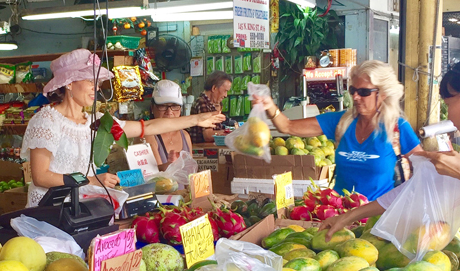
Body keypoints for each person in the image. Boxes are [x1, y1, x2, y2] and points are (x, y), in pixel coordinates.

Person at [21, 49, 225, 207]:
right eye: (90, 81)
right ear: (69, 84)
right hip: (50, 212)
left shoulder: (98, 121)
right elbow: (41, 176)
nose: (97, 88)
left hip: (80, 208)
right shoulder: (47, 121)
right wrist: (90, 181)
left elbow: (150, 126)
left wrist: (196, 119)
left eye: (97, 82)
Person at [320, 62, 460, 238]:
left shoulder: (399, 127)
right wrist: (347, 217)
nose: (451, 117)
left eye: (449, 102)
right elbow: (413, 190)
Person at [254, 60, 422, 201]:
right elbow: (287, 126)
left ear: (383, 93)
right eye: (353, 91)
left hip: (377, 221)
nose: (355, 97)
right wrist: (270, 106)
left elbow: (423, 169)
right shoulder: (341, 121)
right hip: (339, 216)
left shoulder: (397, 128)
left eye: (363, 92)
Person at [145, 80, 193, 170]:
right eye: (163, 106)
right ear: (152, 108)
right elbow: (155, 176)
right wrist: (171, 165)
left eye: (174, 106)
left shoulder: (185, 135)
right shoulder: (148, 135)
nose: (169, 112)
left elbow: (190, 174)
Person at [189, 71, 232, 143]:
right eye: (225, 91)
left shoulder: (211, 104)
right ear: (214, 88)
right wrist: (230, 133)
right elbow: (208, 135)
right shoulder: (202, 102)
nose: (226, 95)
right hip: (202, 151)